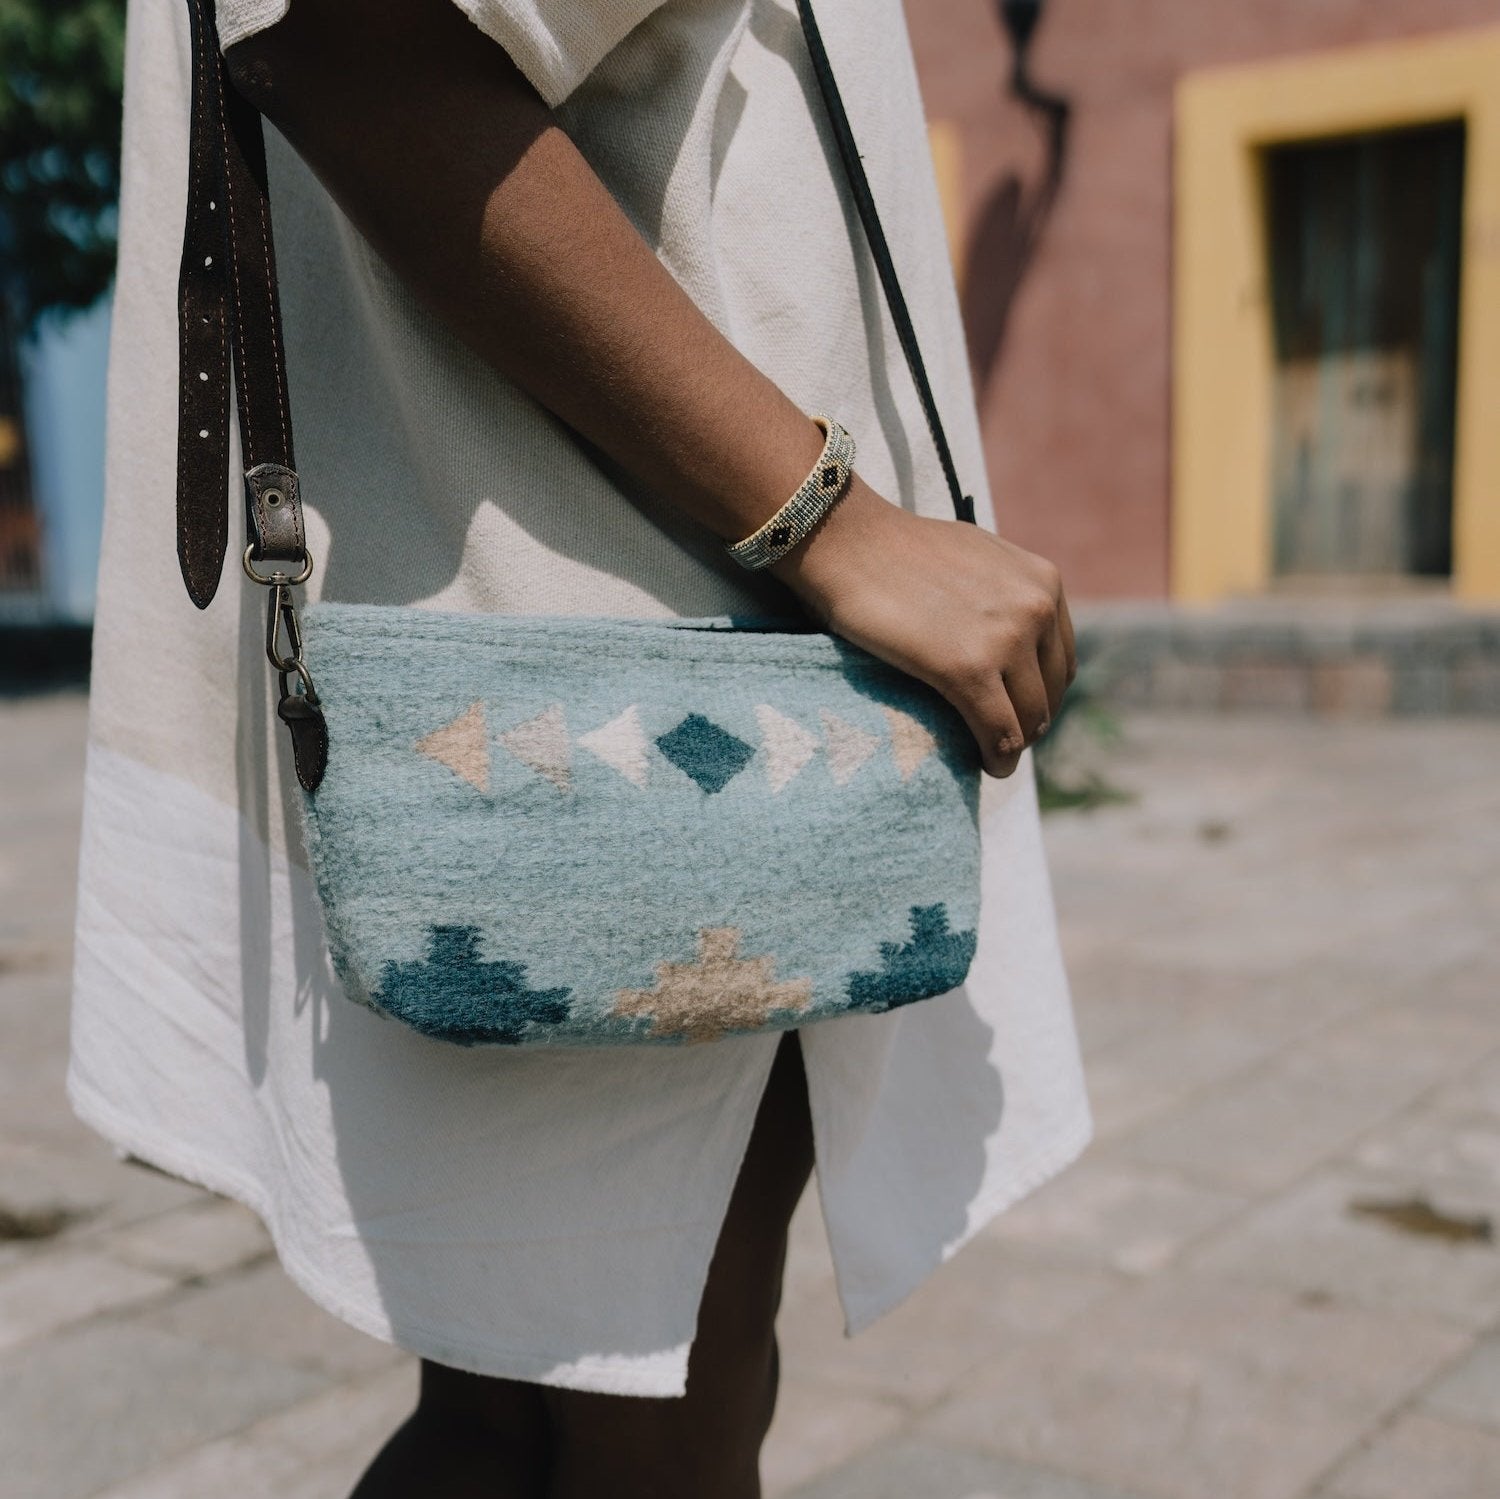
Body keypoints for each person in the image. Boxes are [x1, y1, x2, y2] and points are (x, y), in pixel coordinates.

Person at [67, 0, 1094, 1492]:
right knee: (663, 1417)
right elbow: (367, 53)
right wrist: (839, 526)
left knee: (508, 1414)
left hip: (488, 632)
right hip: (685, 700)